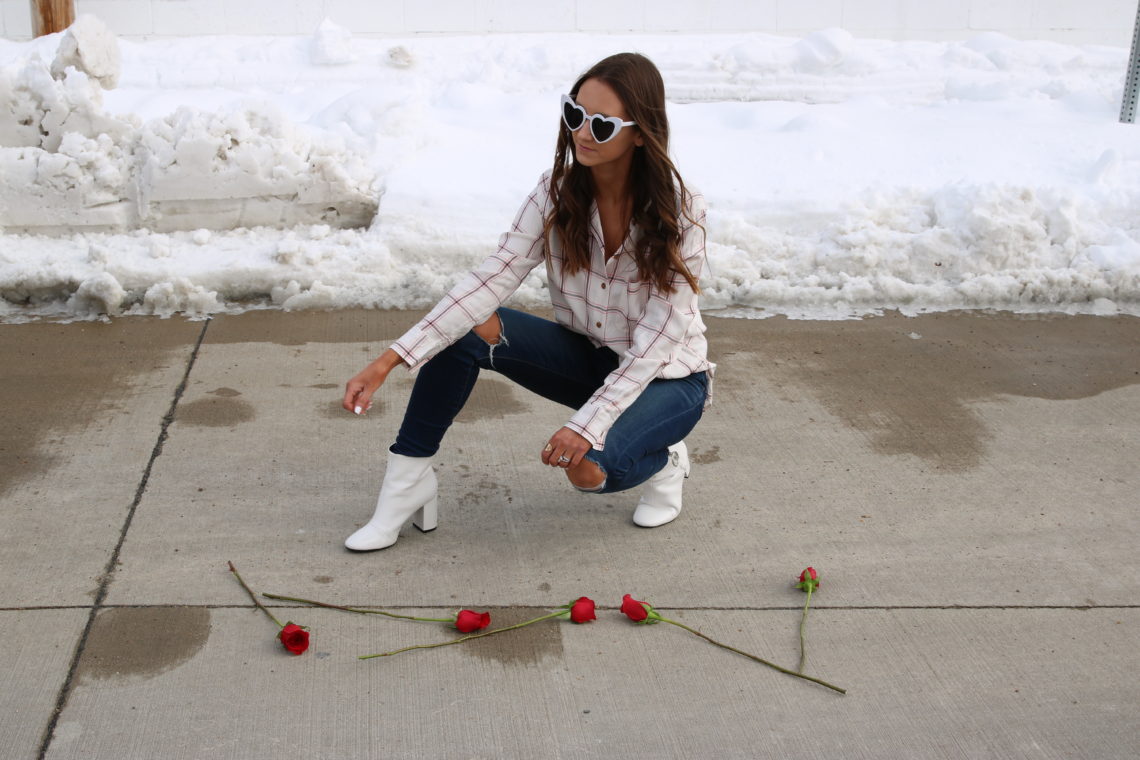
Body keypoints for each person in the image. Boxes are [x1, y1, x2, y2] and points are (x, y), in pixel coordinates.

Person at [341, 52, 713, 552]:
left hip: (668, 378)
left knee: (586, 470)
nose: (582, 132)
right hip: (591, 360)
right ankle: (406, 485)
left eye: (601, 125)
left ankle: (664, 459)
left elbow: (656, 343)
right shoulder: (557, 192)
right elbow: (491, 277)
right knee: (471, 326)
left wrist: (586, 425)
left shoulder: (680, 212)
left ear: (641, 133)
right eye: (574, 114)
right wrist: (391, 359)